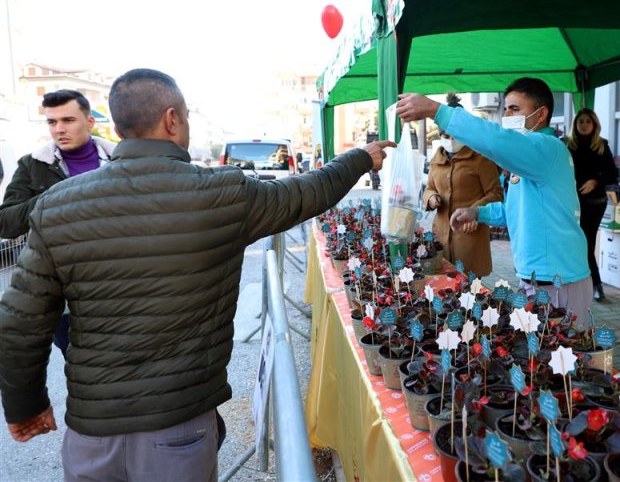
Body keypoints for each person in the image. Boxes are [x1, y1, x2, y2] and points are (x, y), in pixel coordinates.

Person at [0, 68, 393, 481]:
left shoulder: (55, 204)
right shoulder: (222, 193)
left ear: (117, 126)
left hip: (91, 433)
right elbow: (308, 192)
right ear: (172, 119)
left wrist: (25, 405)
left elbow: (21, 322)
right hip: (180, 430)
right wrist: (361, 157)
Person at [397, 78, 592, 324]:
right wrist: (477, 213)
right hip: (537, 278)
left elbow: (495, 140)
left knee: (565, 352)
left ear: (541, 114)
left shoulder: (546, 148)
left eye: (515, 109)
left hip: (559, 280)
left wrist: (437, 111)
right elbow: (515, 209)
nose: (507, 115)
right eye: (505, 108)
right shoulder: (530, 159)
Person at [0, 89, 117, 358]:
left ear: (89, 123)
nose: (59, 129)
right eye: (52, 122)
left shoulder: (119, 160)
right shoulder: (33, 165)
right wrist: (56, 196)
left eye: (68, 120)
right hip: (64, 294)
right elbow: (6, 223)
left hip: (119, 285)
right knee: (79, 364)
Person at [422, 93, 503, 277]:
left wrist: (474, 211)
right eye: (443, 134)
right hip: (441, 237)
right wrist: (431, 197)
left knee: (469, 293)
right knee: (444, 291)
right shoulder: (437, 158)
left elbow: (496, 194)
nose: (448, 139)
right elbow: (429, 188)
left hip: (470, 239)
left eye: (452, 134)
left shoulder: (481, 157)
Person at [566, 109, 618, 302]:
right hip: (572, 202)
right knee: (574, 243)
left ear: (594, 124)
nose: (584, 125)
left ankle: (596, 285)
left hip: (595, 203)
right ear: (575, 124)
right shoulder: (568, 145)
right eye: (581, 121)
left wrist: (596, 181)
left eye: (588, 121)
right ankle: (579, 282)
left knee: (586, 244)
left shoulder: (601, 146)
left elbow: (613, 174)